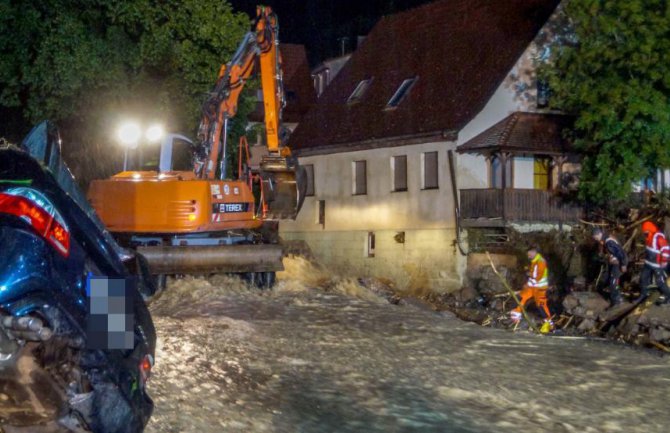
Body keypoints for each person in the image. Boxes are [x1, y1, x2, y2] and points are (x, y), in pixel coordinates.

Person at [510, 246, 553, 332]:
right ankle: (515, 316)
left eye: (529, 254)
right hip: (532, 286)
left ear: (534, 252)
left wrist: (529, 277)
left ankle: (548, 324)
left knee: (541, 305)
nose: (528, 256)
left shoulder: (540, 262)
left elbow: (537, 277)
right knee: (520, 297)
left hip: (540, 288)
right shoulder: (535, 261)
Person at [592, 228, 627, 305]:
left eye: (595, 237)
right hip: (613, 262)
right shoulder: (605, 240)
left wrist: (623, 264)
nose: (595, 239)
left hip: (618, 263)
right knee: (606, 278)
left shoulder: (609, 242)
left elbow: (621, 253)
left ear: (598, 234)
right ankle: (610, 295)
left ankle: (617, 300)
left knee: (614, 282)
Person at [638, 221, 670, 304]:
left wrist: (664, 261)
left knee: (660, 282)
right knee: (643, 279)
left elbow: (666, 249)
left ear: (649, 229)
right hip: (648, 263)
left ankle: (669, 297)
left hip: (657, 265)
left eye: (645, 231)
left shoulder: (658, 237)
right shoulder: (649, 236)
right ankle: (643, 295)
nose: (644, 232)